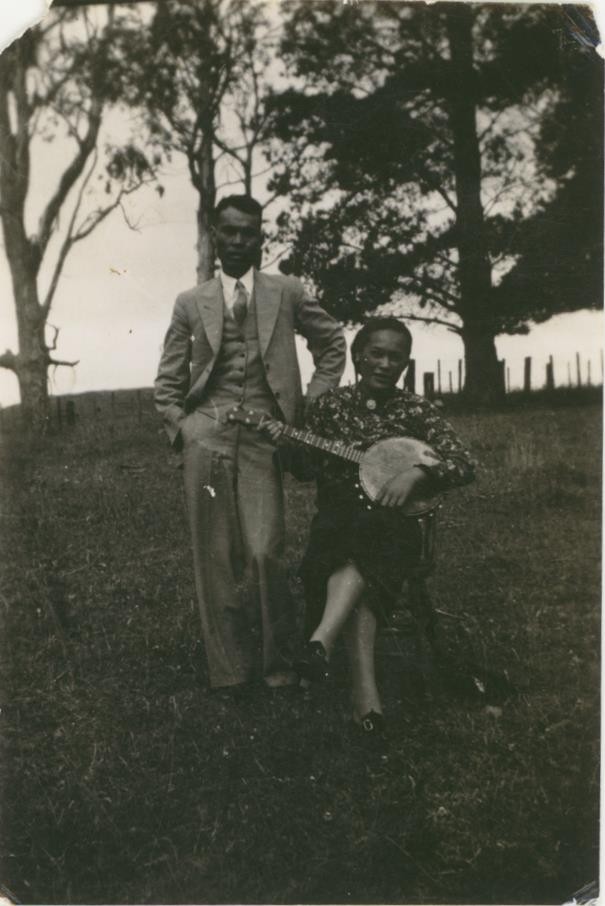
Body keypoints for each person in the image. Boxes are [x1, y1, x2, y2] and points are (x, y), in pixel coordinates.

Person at [154, 195, 346, 691]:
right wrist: (187, 426)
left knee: (265, 550)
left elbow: (333, 343)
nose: (239, 241)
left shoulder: (287, 291)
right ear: (214, 236)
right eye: (230, 232)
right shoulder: (190, 302)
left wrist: (312, 405)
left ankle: (277, 666)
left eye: (249, 233)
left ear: (262, 237)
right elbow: (167, 385)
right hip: (208, 437)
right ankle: (229, 672)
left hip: (265, 436)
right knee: (214, 557)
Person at [264, 316, 475, 735]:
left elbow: (464, 464)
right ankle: (366, 703)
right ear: (358, 355)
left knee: (368, 536)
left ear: (405, 364)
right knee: (353, 536)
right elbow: (306, 470)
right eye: (375, 353)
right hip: (337, 526)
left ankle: (321, 642)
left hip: (395, 529)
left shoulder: (417, 411)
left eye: (395, 357)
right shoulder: (330, 408)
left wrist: (419, 475)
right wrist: (285, 442)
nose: (384, 363)